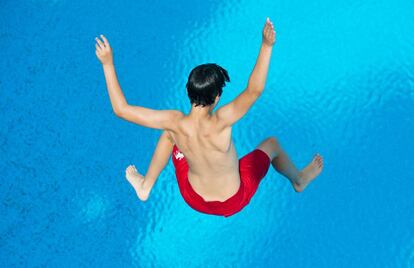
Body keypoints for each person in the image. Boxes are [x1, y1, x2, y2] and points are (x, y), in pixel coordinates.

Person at [95, 17, 323, 217]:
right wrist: (266, 45)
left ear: (187, 91)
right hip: (234, 200)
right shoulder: (222, 121)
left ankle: (146, 186)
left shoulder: (174, 122)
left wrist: (107, 63)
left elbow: (121, 109)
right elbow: (254, 90)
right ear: (217, 97)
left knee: (168, 135)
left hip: (194, 198)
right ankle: (299, 180)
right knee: (271, 144)